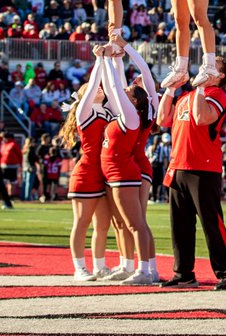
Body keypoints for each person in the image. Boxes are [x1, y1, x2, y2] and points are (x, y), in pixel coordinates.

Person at [157, 55, 226, 289]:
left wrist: (201, 87)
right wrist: (171, 90)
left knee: (211, 223)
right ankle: (183, 273)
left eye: (212, 66)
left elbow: (202, 118)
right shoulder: (187, 96)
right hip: (178, 165)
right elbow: (163, 119)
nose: (204, 67)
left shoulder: (216, 95)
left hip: (203, 166)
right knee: (179, 224)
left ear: (220, 76)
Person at [95, 46, 155, 285]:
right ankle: (128, 264)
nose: (130, 84)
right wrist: (111, 60)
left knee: (136, 223)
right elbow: (115, 88)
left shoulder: (134, 115)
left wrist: (110, 57)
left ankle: (146, 269)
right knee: (121, 222)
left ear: (133, 99)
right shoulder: (124, 113)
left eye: (131, 87)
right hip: (117, 170)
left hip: (128, 169)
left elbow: (115, 88)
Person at [60, 54, 113, 281]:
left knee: (103, 224)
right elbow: (93, 84)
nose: (98, 89)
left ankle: (100, 265)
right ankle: (79, 267)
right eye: (92, 89)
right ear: (83, 96)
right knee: (81, 223)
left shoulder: (108, 111)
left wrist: (112, 60)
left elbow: (112, 84)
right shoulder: (85, 111)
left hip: (105, 171)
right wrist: (100, 60)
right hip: (86, 171)